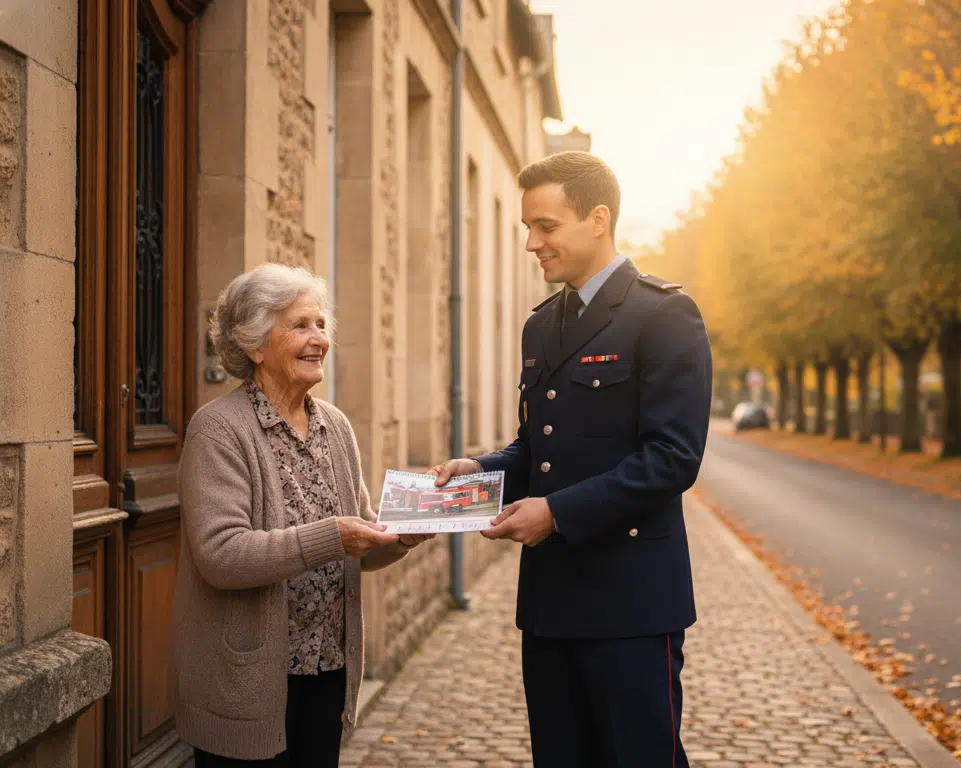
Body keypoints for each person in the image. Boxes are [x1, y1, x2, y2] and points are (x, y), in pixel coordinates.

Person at [432, 151, 713, 767]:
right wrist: (481, 470)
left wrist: (555, 513)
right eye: (528, 228)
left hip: (631, 602)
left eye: (546, 226)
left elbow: (673, 459)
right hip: (552, 600)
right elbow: (537, 449)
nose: (532, 242)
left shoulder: (663, 315)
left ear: (598, 219)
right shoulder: (541, 325)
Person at [172, 263, 434, 766]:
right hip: (247, 680)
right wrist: (334, 535)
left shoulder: (334, 425)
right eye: (299, 326)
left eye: (320, 325)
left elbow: (358, 540)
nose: (318, 339)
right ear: (253, 345)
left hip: (327, 670)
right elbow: (221, 555)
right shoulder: (218, 429)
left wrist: (399, 538)